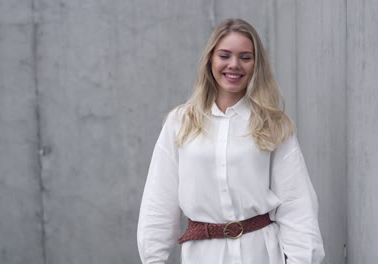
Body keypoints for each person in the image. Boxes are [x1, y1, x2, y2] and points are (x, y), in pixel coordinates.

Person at [137, 18, 325, 264]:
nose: (234, 65)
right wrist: (153, 259)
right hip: (202, 256)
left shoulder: (273, 124)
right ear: (210, 60)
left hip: (260, 254)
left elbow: (297, 203)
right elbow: (159, 200)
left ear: (256, 64)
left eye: (245, 57)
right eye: (224, 55)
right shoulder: (180, 122)